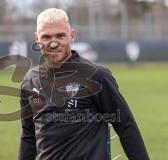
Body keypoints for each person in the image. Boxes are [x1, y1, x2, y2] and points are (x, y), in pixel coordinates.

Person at [18, 8, 149, 160]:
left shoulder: (96, 76)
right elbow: (28, 135)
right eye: (46, 37)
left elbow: (126, 126)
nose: (53, 43)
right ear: (37, 39)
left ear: (72, 35)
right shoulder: (30, 80)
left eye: (60, 36)